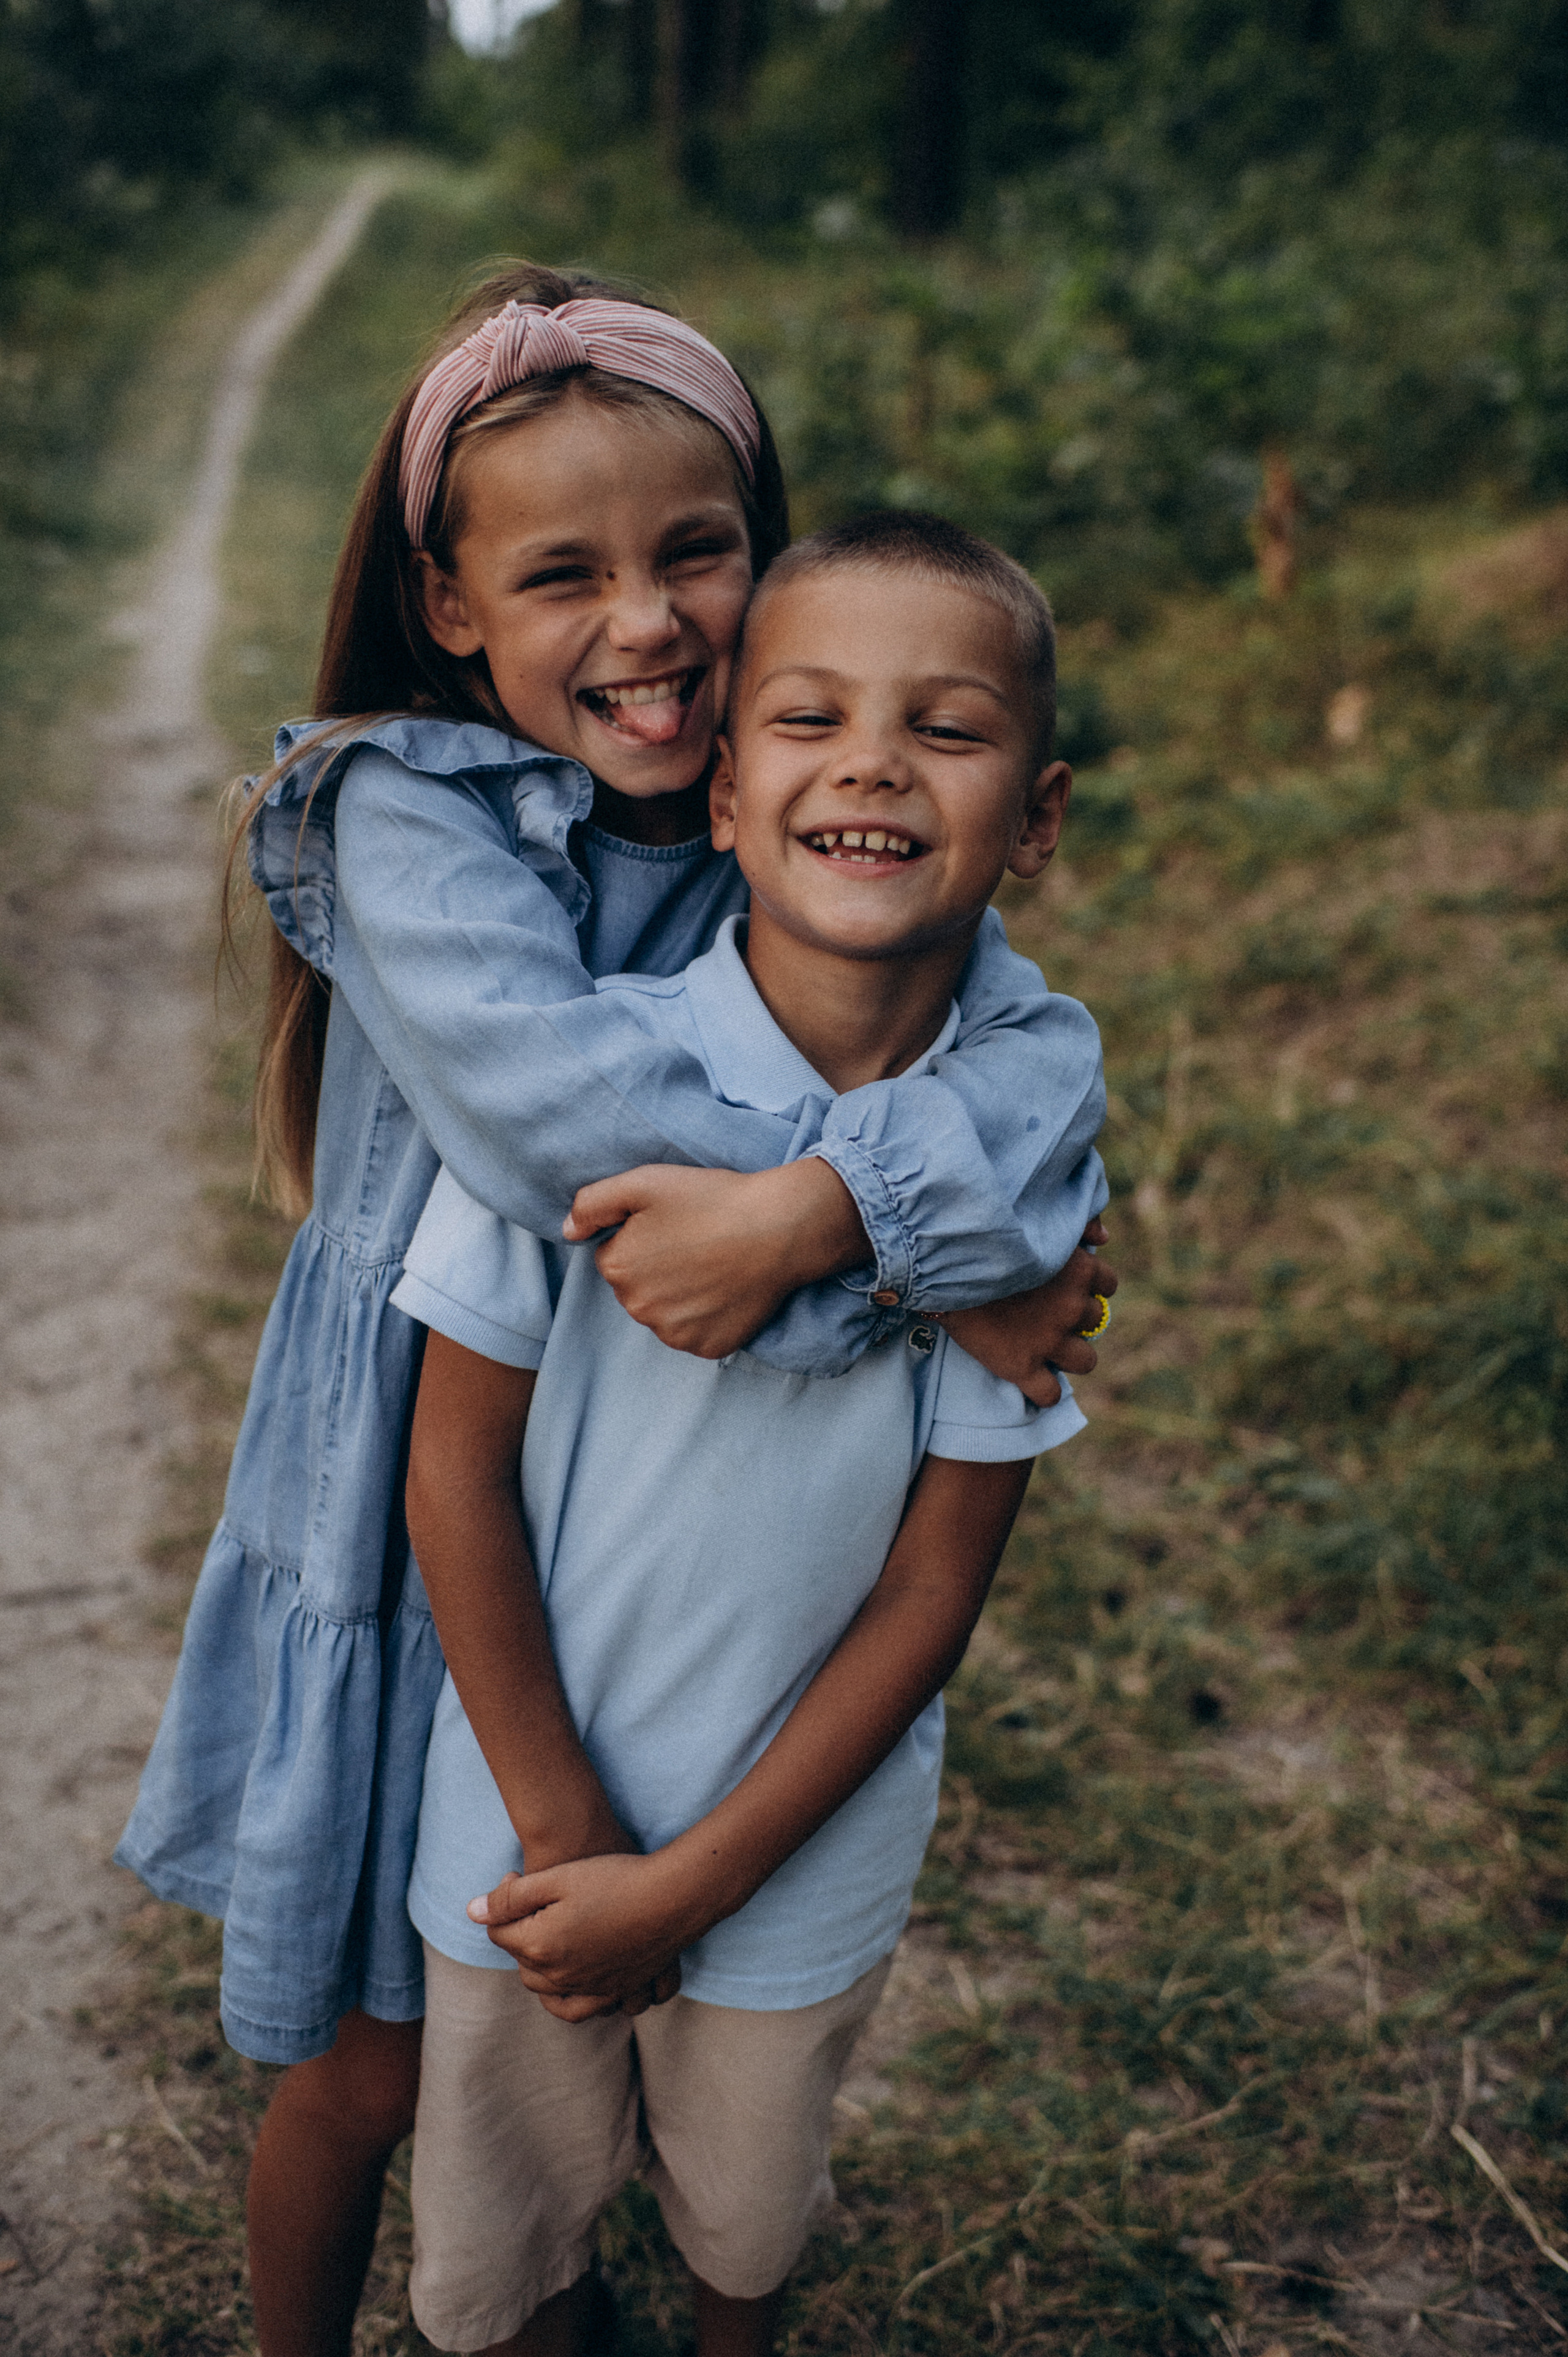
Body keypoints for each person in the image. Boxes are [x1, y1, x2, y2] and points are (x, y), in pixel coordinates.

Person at [113, 271, 1112, 2356]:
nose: (648, 619)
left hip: (625, 1486)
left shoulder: (765, 803)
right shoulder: (411, 809)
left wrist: (894, 1215)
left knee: (542, 2047)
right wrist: (884, 1245)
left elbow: (1032, 1059)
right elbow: (579, 1127)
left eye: (698, 553)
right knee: (385, 2064)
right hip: (417, 1476)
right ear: (452, 605)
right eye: (565, 572)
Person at [394, 509, 1109, 2357]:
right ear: (723, 793)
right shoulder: (588, 1087)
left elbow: (940, 1581)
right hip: (525, 1832)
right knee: (507, 2253)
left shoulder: (1019, 1172)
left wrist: (702, 1881)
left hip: (805, 1849)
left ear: (1034, 819)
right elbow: (452, 1473)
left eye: (945, 730)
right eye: (809, 718)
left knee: (746, 2232)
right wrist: (578, 1845)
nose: (872, 761)